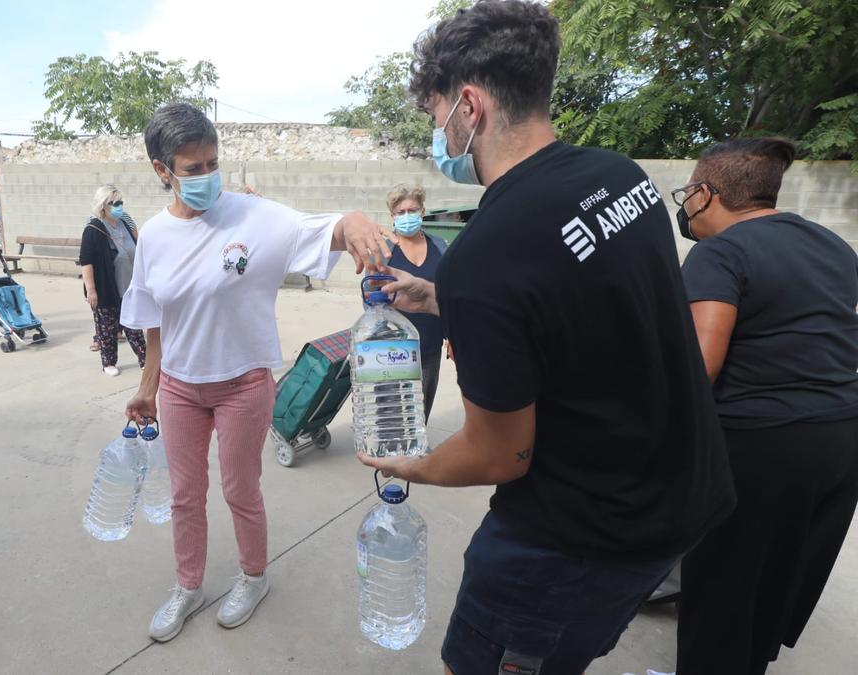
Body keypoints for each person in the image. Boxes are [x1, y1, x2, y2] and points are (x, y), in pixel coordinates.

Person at [356, 3, 735, 673]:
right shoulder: (619, 177)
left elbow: (502, 453)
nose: (436, 137)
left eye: (434, 116)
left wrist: (411, 462)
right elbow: (580, 302)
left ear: (468, 106)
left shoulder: (486, 252)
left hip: (581, 535)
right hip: (684, 495)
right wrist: (447, 298)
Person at [120, 102, 390, 643]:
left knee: (241, 488)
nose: (206, 178)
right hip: (178, 386)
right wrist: (148, 387)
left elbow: (324, 229)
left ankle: (253, 576)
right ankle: (187, 585)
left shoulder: (254, 216)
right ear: (161, 170)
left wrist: (354, 221)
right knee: (184, 494)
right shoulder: (152, 235)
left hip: (243, 384)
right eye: (192, 169)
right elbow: (153, 319)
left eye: (212, 163)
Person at [673, 138, 858, 675]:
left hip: (762, 445)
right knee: (780, 576)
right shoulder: (831, 245)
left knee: (723, 585)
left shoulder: (720, 252)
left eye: (688, 193)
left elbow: (699, 367)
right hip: (842, 436)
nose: (685, 205)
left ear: (706, 194)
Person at [384, 184, 447, 420]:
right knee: (394, 410)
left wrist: (453, 333)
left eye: (413, 210)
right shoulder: (385, 251)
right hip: (394, 349)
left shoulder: (440, 247)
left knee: (421, 407)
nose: (407, 216)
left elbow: (448, 292)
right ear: (392, 216)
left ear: (422, 211)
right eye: (401, 212)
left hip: (430, 343)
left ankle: (417, 453)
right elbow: (369, 296)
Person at [80, 185, 146, 376]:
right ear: (103, 206)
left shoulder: (123, 223)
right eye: (114, 203)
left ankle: (144, 359)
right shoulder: (93, 228)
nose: (119, 206)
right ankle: (109, 362)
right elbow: (86, 262)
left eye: (121, 203)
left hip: (129, 285)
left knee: (133, 326)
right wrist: (91, 289)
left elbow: (136, 247)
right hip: (106, 288)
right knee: (107, 329)